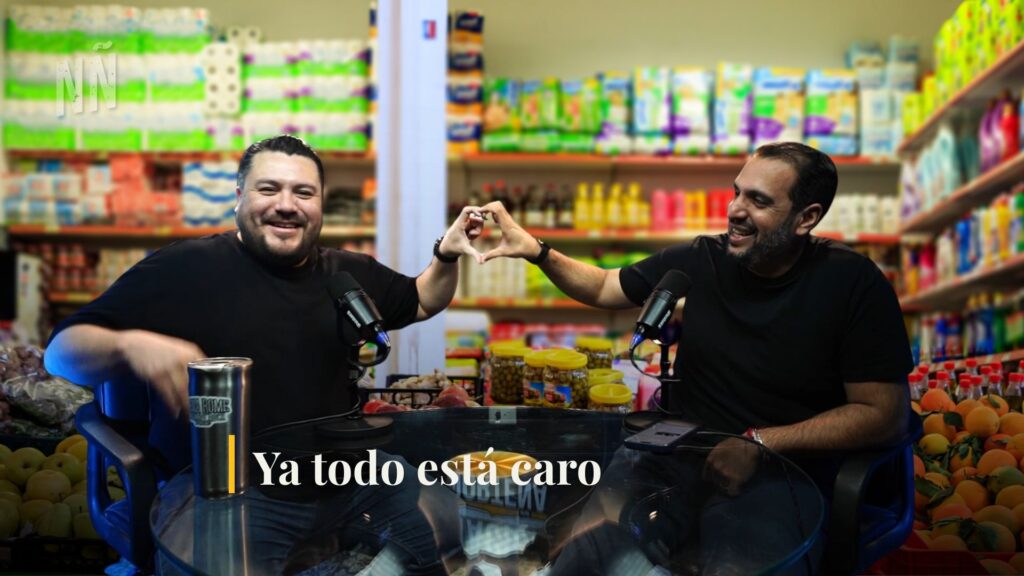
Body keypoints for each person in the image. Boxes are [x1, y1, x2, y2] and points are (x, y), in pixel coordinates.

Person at [44, 135, 482, 574]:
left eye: (303, 192)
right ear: (239, 197)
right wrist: (129, 346)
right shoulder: (185, 269)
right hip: (228, 488)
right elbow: (60, 354)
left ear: (320, 203)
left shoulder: (346, 273)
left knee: (453, 534)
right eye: (269, 189)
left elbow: (421, 299)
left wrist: (445, 254)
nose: (286, 205)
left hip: (347, 475)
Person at [475, 142, 914, 573]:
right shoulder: (703, 257)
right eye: (737, 192)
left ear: (806, 218)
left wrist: (760, 444)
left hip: (782, 476)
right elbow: (606, 286)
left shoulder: (852, 283)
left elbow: (883, 414)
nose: (735, 209)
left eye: (759, 200)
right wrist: (538, 251)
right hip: (677, 460)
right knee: (585, 557)